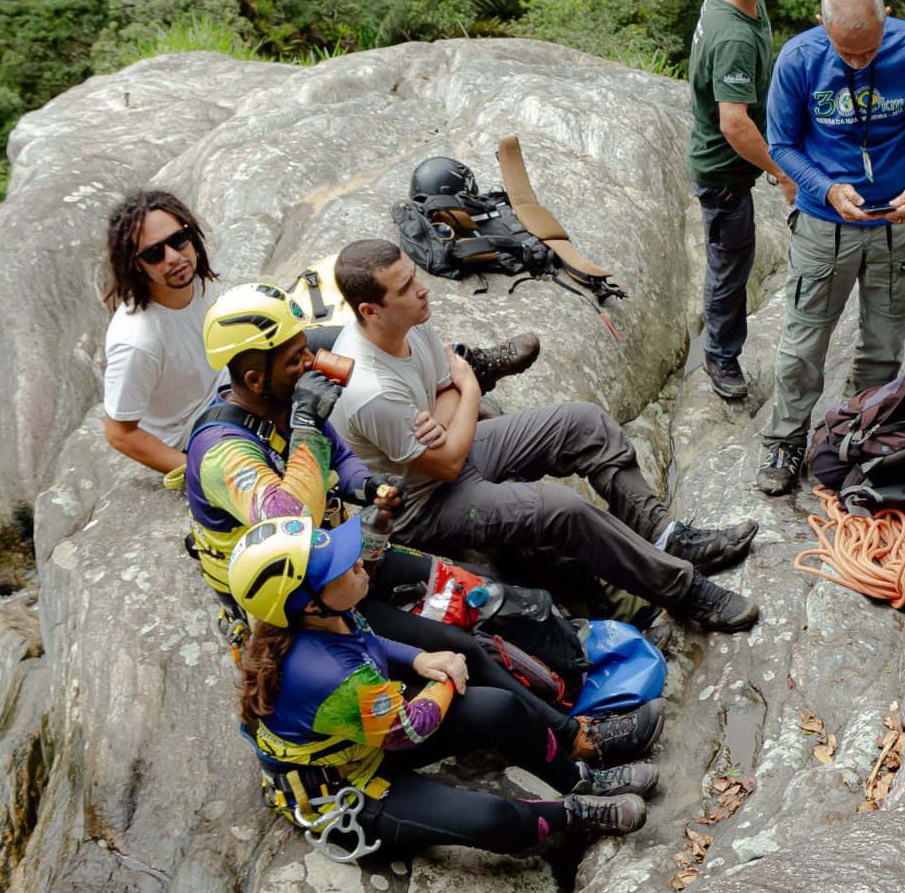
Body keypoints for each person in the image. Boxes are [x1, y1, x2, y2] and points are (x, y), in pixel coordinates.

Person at [317, 238, 765, 631]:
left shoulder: (412, 319)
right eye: (404, 288)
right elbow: (449, 453)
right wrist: (470, 387)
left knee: (582, 422)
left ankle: (665, 535)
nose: (422, 288)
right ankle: (684, 592)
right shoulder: (369, 387)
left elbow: (446, 396)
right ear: (370, 310)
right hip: (422, 506)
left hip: (452, 452)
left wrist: (451, 402)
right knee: (560, 508)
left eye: (414, 275)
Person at [229, 514, 655, 862]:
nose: (358, 561)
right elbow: (407, 729)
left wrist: (418, 659)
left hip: (368, 739)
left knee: (500, 709)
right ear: (308, 601)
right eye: (344, 567)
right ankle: (574, 813)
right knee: (494, 819)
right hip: (344, 789)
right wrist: (449, 676)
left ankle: (581, 779)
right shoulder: (322, 672)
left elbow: (364, 638)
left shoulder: (318, 616)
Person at [756, 0, 905, 496]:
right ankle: (786, 439)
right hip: (825, 224)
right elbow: (782, 144)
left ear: (885, 18)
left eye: (870, 49)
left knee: (885, 342)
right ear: (824, 26)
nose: (861, 62)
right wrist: (825, 187)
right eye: (848, 52)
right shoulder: (798, 60)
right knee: (804, 340)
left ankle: (857, 430)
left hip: (897, 222)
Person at [687, 0, 849, 403]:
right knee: (731, 264)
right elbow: (733, 123)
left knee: (735, 258)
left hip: (737, 158)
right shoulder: (733, 34)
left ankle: (719, 347)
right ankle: (719, 355)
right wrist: (782, 171)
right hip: (725, 170)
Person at [183, 281, 386, 651]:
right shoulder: (221, 452)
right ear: (255, 380)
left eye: (305, 348)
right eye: (295, 359)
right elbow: (292, 523)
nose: (310, 362)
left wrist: (369, 487)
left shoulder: (283, 402)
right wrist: (306, 422)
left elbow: (338, 456)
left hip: (321, 561)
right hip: (275, 591)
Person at [99, 189, 219, 483]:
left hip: (233, 387)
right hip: (196, 429)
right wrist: (197, 472)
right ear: (136, 265)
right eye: (154, 253)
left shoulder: (199, 280)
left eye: (179, 239)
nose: (174, 257)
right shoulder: (137, 341)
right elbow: (118, 433)